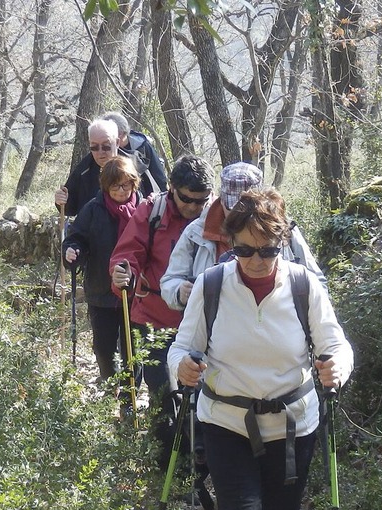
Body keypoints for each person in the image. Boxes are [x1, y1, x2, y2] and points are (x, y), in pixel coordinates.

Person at [168, 187, 354, 510]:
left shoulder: (303, 285)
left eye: (267, 250)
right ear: (229, 244)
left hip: (293, 426)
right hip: (225, 423)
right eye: (244, 250)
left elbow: (336, 343)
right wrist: (181, 368)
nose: (255, 260)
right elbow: (183, 346)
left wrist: (337, 367)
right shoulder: (211, 286)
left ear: (282, 243)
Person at [109, 155, 214, 428]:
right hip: (154, 320)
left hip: (204, 324)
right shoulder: (151, 211)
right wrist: (122, 272)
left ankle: (196, 448)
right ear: (171, 188)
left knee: (204, 399)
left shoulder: (218, 216)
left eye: (201, 201)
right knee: (163, 397)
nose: (193, 207)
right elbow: (128, 252)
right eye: (186, 199)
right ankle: (165, 450)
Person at [160, 161, 323, 313]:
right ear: (222, 201)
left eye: (247, 210)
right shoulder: (195, 233)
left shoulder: (284, 229)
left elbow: (316, 281)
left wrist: (313, 317)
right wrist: (179, 292)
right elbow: (170, 280)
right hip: (215, 329)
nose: (239, 216)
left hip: (277, 322)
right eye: (233, 208)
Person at [62, 156, 141, 382]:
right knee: (103, 349)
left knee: (133, 349)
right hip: (100, 290)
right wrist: (72, 251)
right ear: (105, 186)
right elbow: (76, 238)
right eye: (115, 186)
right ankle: (109, 388)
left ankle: (130, 395)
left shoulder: (144, 210)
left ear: (134, 183)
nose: (121, 191)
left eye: (126, 185)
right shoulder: (93, 209)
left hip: (135, 293)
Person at [54, 117, 121, 217]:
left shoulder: (132, 168)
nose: (100, 152)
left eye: (106, 146)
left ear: (117, 143)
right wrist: (61, 200)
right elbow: (70, 209)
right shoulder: (84, 169)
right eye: (94, 147)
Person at [102, 111, 168, 198]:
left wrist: (164, 197)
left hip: (147, 197)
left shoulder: (142, 145)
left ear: (120, 134)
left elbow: (158, 174)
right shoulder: (103, 151)